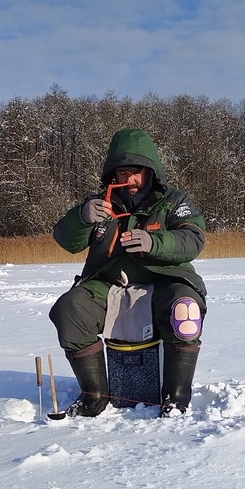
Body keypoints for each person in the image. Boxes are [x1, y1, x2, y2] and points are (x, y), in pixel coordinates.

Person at [49, 128, 207, 417]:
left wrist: (154, 242)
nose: (129, 181)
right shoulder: (98, 203)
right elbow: (66, 240)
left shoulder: (174, 201)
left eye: (136, 172)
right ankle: (94, 396)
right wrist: (82, 218)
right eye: (121, 173)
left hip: (165, 281)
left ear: (151, 171)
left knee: (185, 311)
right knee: (69, 310)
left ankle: (176, 398)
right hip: (107, 284)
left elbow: (194, 239)